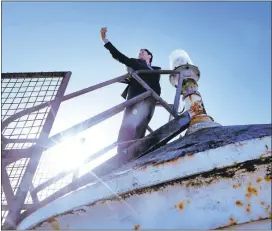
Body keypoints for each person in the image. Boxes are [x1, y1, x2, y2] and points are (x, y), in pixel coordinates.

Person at [100, 27, 161, 154]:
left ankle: (137, 151)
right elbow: (120, 56)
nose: (140, 53)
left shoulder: (156, 70)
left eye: (143, 52)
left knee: (142, 125)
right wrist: (105, 40)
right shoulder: (135, 62)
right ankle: (122, 152)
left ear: (149, 56)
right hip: (136, 96)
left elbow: (157, 85)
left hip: (150, 99)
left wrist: (158, 98)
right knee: (129, 124)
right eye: (139, 52)